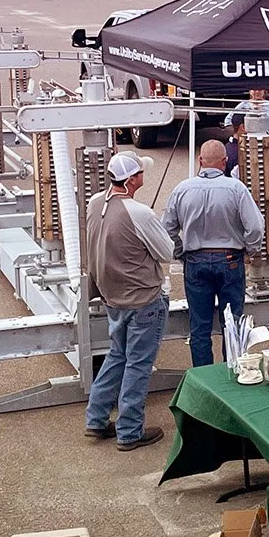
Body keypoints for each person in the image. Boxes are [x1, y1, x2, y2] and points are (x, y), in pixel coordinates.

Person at [83, 152, 173, 450]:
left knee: (117, 355)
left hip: (112, 296)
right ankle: (130, 431)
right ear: (133, 179)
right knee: (138, 363)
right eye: (140, 173)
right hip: (142, 298)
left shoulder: (96, 203)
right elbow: (166, 252)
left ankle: (96, 419)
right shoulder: (139, 212)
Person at [163, 140, 266, 369]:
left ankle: (205, 378)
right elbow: (256, 227)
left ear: (200, 161)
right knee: (233, 324)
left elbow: (166, 229)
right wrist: (250, 250)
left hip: (195, 262)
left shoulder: (182, 189)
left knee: (199, 327)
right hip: (229, 259)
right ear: (225, 162)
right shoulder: (236, 188)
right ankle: (233, 372)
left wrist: (181, 252)